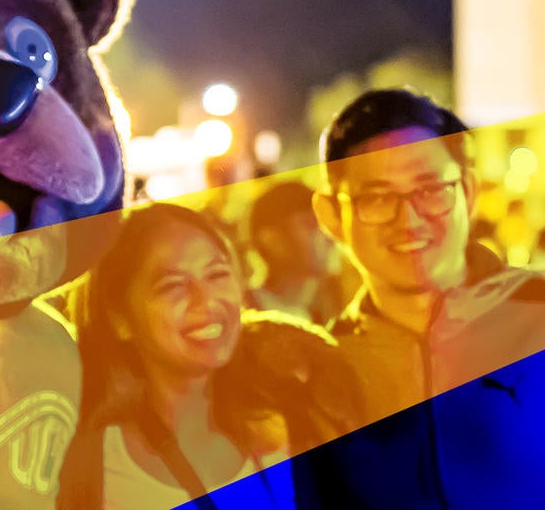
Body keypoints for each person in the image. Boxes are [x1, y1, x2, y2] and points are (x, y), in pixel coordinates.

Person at [284, 89, 545, 509]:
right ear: (331, 215)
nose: (408, 220)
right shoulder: (326, 370)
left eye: (430, 189)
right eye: (377, 198)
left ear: (468, 192)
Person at [57, 203, 351, 510]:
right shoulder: (91, 465)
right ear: (120, 318)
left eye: (216, 274)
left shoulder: (291, 419)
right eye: (172, 285)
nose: (206, 300)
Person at [244, 181, 346, 326]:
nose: (328, 236)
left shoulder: (337, 308)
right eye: (310, 224)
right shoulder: (243, 314)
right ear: (272, 239)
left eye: (325, 224)